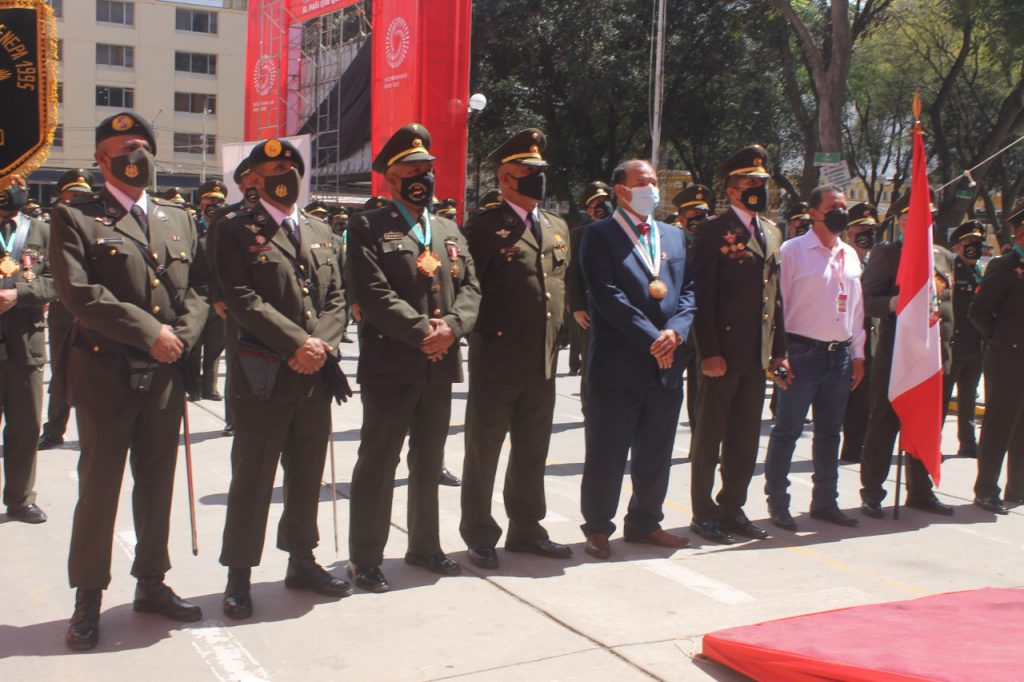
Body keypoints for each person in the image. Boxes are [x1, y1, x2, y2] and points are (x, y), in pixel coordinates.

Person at [51, 112, 208, 650]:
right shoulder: (75, 217)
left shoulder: (176, 218)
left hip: (165, 376)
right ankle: (88, 600)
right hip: (104, 373)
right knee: (99, 490)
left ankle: (152, 583)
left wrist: (181, 337)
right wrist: (150, 333)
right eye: (124, 147)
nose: (136, 155)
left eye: (142, 146)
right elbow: (78, 293)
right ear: (101, 159)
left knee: (157, 484)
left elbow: (199, 291)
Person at [216, 138, 352, 620]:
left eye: (292, 165)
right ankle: (239, 575)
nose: (285, 173)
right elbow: (242, 298)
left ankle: (301, 559)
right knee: (252, 477)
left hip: (313, 376)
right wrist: (299, 343)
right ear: (252, 178)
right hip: (263, 376)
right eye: (274, 166)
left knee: (306, 472)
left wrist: (321, 345)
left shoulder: (319, 229)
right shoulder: (233, 229)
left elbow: (338, 298)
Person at [345, 124, 480, 592]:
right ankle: (365, 558)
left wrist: (453, 327)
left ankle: (425, 545)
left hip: (440, 363)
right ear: (390, 176)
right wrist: (424, 331)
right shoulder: (367, 225)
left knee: (429, 459)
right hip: (392, 362)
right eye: (413, 168)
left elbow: (470, 288)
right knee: (379, 461)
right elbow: (373, 292)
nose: (424, 175)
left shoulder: (446, 226)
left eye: (429, 168)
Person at [460, 129, 573, 569]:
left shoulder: (558, 226)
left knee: (532, 450)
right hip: (499, 358)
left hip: (543, 359)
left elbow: (560, 286)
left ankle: (527, 528)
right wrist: (483, 337)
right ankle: (480, 533)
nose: (537, 178)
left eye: (540, 171)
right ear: (507, 179)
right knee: (484, 450)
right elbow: (470, 289)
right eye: (528, 172)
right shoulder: (486, 227)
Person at [578, 159, 695, 559]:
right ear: (621, 190)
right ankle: (597, 528)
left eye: (653, 181)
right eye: (642, 182)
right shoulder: (600, 234)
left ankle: (646, 522)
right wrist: (652, 338)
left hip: (665, 364)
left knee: (656, 450)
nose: (651, 188)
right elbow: (607, 294)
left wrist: (675, 332)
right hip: (619, 362)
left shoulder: (673, 237)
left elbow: (689, 291)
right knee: (608, 451)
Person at [689, 145, 788, 545]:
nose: (759, 188)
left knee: (745, 437)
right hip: (722, 353)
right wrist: (709, 351)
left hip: (756, 353)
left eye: (762, 182)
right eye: (750, 182)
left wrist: (779, 350)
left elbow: (776, 298)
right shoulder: (713, 230)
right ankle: (703, 512)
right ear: (731, 190)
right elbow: (702, 297)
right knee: (710, 436)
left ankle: (733, 507)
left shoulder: (772, 231)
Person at [763, 186, 865, 531]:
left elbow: (858, 309)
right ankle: (778, 502)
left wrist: (859, 353)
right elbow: (776, 307)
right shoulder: (793, 251)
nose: (841, 211)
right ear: (814, 212)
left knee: (829, 433)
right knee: (787, 431)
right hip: (801, 353)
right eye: (834, 206)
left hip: (839, 355)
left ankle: (825, 501)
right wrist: (778, 355)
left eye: (844, 206)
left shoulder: (850, 254)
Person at [858, 190, 955, 518]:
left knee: (927, 425)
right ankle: (872, 492)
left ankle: (921, 490)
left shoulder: (943, 257)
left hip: (934, 359)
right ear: (901, 222)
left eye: (929, 218)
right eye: (915, 219)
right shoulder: (888, 255)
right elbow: (866, 301)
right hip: (896, 356)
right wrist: (893, 304)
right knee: (883, 425)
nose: (924, 224)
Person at [0, 175, 56, 524]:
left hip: (25, 344)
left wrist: (18, 294)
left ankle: (20, 499)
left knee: (24, 426)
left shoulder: (41, 232)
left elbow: (59, 281)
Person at [969, 203, 1024, 514]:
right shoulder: (1005, 266)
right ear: (1020, 232)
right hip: (1006, 359)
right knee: (999, 425)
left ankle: (1017, 487)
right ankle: (986, 489)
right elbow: (978, 312)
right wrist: (1003, 342)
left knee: (1023, 428)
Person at [38, 169, 96, 451]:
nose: (77, 200)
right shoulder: (48, 229)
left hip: (93, 313)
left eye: (83, 196)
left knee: (94, 373)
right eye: (72, 195)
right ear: (61, 198)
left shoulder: (97, 227)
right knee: (61, 373)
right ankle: (54, 429)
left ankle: (93, 430)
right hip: (63, 311)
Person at [839, 202, 879, 463]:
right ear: (848, 232)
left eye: (870, 228)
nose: (866, 232)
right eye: (860, 228)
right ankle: (848, 447)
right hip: (845, 340)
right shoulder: (842, 258)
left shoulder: (876, 261)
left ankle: (856, 447)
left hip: (872, 341)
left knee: (864, 401)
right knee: (847, 399)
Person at [943, 220, 986, 459]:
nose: (974, 247)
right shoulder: (951, 270)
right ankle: (932, 441)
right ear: (958, 246)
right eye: (969, 242)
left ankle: (968, 443)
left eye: (978, 242)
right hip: (955, 344)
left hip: (975, 344)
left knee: (968, 395)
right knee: (943, 397)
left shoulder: (981, 270)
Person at [671, 184, 712, 425]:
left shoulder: (715, 245)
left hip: (704, 327)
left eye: (703, 215)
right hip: (676, 327)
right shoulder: (671, 244)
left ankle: (698, 444)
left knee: (702, 391)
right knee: (667, 386)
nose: (699, 220)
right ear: (681, 218)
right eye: (693, 216)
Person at [186, 179, 229, 402]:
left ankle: (209, 387)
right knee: (194, 344)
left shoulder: (227, 227)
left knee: (215, 345)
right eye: (209, 200)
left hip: (220, 296)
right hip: (196, 294)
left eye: (219, 201)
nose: (213, 204)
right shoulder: (191, 227)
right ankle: (193, 387)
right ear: (200, 203)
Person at [567, 181, 612, 388]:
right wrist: (576, 306)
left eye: (605, 201)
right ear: (588, 209)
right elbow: (573, 272)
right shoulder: (580, 233)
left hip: (619, 306)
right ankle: (589, 409)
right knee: (591, 361)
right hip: (590, 307)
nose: (603, 206)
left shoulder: (623, 230)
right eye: (597, 203)